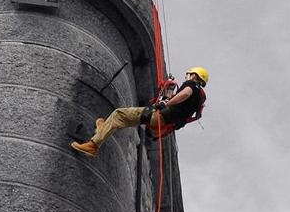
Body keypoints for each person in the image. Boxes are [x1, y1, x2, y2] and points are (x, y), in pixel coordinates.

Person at [70, 66, 209, 157]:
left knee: (119, 114)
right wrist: (168, 94)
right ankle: (103, 128)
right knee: (122, 119)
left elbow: (185, 93)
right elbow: (180, 108)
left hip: (158, 117)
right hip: (161, 127)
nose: (187, 76)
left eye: (189, 74)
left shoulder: (192, 85)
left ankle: (93, 145)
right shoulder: (198, 101)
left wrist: (167, 102)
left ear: (194, 76)